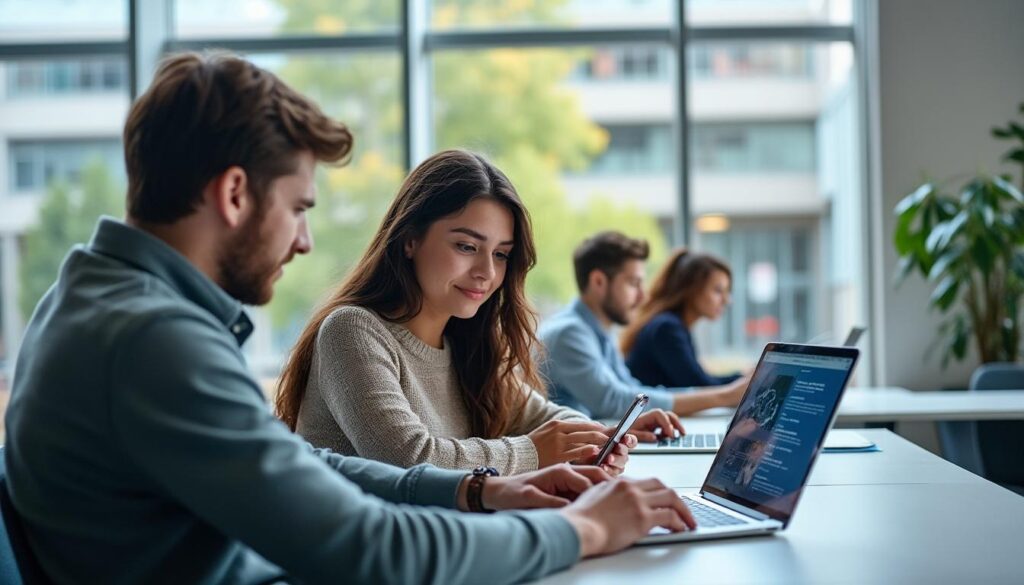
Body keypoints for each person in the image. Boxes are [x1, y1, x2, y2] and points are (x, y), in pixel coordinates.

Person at [2, 52, 695, 585]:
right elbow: (372, 548)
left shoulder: (93, 294)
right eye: (300, 207)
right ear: (236, 193)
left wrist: (479, 488)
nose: (304, 241)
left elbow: (304, 462)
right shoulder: (152, 339)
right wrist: (583, 531)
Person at [276, 149, 683, 476]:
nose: (487, 273)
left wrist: (601, 436)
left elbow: (539, 416)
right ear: (409, 240)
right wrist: (535, 451)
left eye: (502, 254)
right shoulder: (352, 330)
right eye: (466, 247)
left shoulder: (466, 340)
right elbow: (410, 460)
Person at [538, 232, 748, 423]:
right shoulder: (570, 333)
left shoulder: (598, 331)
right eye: (633, 283)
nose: (643, 296)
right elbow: (613, 401)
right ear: (599, 281)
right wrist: (725, 396)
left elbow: (633, 391)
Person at [620, 248, 745, 388]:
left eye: (727, 292)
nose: (727, 300)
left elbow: (700, 378)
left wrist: (743, 376)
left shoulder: (673, 325)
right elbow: (699, 385)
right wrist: (746, 379)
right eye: (718, 290)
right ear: (692, 289)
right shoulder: (667, 328)